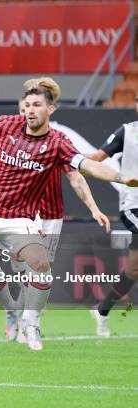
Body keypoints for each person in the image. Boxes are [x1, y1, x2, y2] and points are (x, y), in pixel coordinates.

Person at [0, 85, 138, 350]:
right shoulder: (6, 127)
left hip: (38, 217)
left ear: (51, 108)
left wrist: (100, 201)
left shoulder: (58, 143)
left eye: (36, 105)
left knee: (34, 272)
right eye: (26, 105)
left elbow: (80, 172)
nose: (29, 110)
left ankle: (30, 322)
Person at [89, 91, 138, 337]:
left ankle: (102, 310)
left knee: (134, 269)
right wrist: (70, 159)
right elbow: (98, 157)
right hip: (133, 206)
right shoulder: (126, 132)